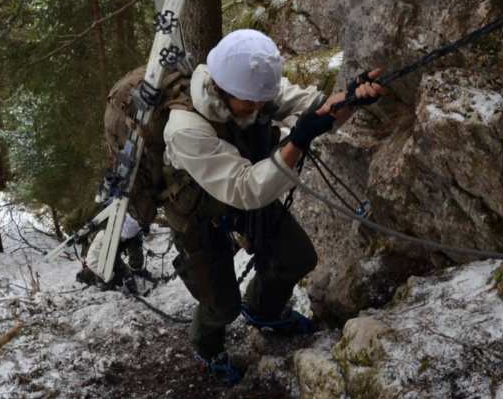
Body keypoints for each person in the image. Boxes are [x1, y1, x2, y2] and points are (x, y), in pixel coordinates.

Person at [161, 29, 385, 384]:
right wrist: (297, 139)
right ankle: (208, 349)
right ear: (220, 88)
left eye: (261, 104)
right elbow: (244, 187)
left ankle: (263, 310)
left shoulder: (253, 90)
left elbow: (313, 108)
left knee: (298, 258)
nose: (257, 111)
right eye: (248, 105)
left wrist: (349, 100)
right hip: (200, 214)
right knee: (220, 306)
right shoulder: (185, 128)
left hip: (249, 189)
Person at [76, 212, 148, 293]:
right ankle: (85, 276)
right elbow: (92, 261)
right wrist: (112, 277)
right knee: (101, 274)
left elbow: (115, 257)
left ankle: (125, 276)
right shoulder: (103, 237)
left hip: (112, 253)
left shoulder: (129, 223)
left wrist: (127, 276)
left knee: (118, 267)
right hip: (97, 254)